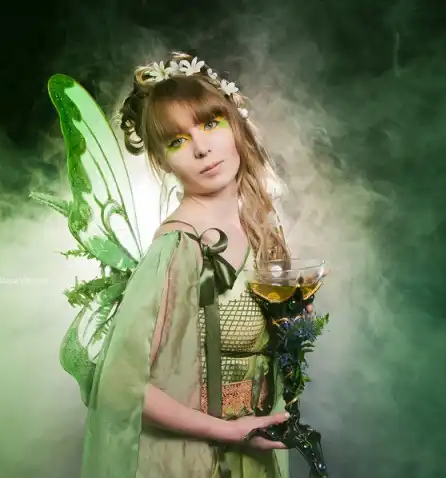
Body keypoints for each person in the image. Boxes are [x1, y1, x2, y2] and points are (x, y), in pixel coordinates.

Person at [75, 51, 296, 478]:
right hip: (196, 463)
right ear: (162, 160)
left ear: (236, 123)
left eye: (211, 123)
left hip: (250, 455)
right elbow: (120, 385)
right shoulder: (179, 246)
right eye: (177, 141)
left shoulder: (259, 228)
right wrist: (226, 431)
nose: (202, 148)